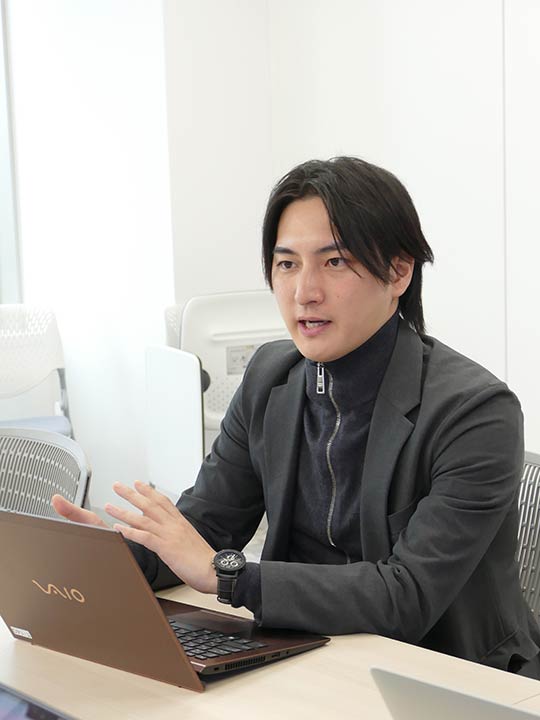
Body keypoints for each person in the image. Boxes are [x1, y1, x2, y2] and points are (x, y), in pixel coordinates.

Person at [52, 156, 540, 677]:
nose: (305, 291)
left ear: (399, 271)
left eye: (335, 262)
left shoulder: (475, 412)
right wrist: (121, 557)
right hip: (308, 656)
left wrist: (228, 576)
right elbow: (208, 525)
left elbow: (407, 595)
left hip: (446, 677)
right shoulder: (270, 377)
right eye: (287, 264)